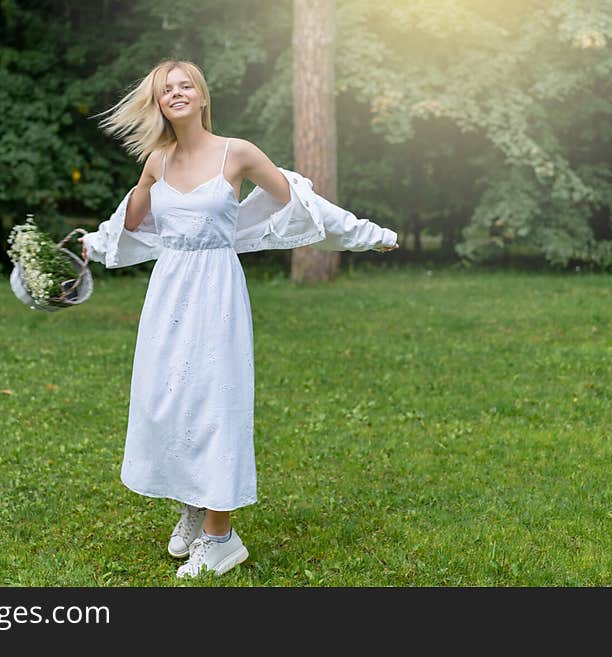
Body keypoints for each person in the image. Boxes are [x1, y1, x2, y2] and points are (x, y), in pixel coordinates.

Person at [80, 59, 398, 579]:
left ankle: (221, 537)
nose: (176, 94)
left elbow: (301, 201)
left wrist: (368, 233)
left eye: (186, 86)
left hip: (216, 293)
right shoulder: (157, 161)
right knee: (169, 401)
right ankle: (192, 503)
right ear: (158, 103)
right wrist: (95, 236)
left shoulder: (238, 153)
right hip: (167, 295)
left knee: (212, 403)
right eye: (166, 89)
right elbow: (131, 225)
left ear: (203, 98)